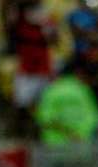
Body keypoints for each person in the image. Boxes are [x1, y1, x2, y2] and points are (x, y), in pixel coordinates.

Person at [10, 0, 58, 136]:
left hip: (44, 71)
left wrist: (46, 27)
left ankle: (41, 135)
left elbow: (55, 41)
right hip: (26, 72)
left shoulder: (47, 23)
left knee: (45, 106)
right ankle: (20, 134)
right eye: (32, 12)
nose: (35, 15)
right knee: (21, 105)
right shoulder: (20, 24)